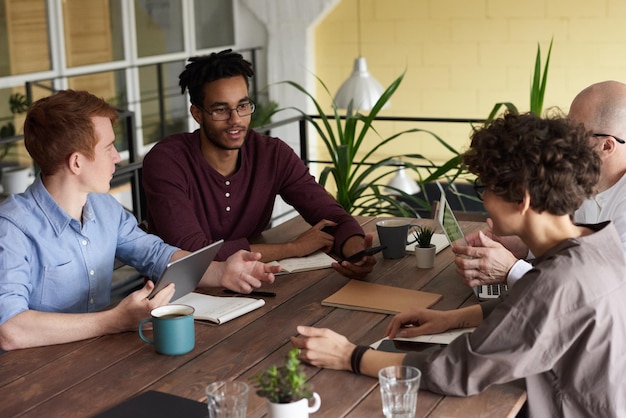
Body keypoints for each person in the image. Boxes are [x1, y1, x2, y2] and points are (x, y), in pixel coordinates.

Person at [291, 112, 626, 417]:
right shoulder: (597, 242)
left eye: (487, 187)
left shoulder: (560, 280)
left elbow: (457, 371)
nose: (483, 200)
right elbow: (536, 310)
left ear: (522, 199)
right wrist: (452, 318)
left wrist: (349, 355)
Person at [0, 90, 280, 351]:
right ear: (76, 163)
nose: (117, 157)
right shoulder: (11, 227)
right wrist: (113, 320)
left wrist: (220, 271)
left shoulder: (103, 207)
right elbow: (10, 329)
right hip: (30, 379)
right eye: (108, 147)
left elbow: (156, 254)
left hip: (93, 357)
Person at [142, 49, 375, 278]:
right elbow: (194, 253)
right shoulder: (167, 161)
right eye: (221, 110)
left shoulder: (271, 154)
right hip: (177, 296)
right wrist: (293, 248)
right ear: (197, 114)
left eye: (242, 106)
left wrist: (356, 251)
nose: (236, 120)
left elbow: (329, 214)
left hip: (251, 283)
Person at [454, 80, 626, 289]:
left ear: (606, 145)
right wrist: (523, 247)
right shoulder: (582, 180)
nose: (564, 141)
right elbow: (572, 255)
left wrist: (511, 270)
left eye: (575, 134)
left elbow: (600, 291)